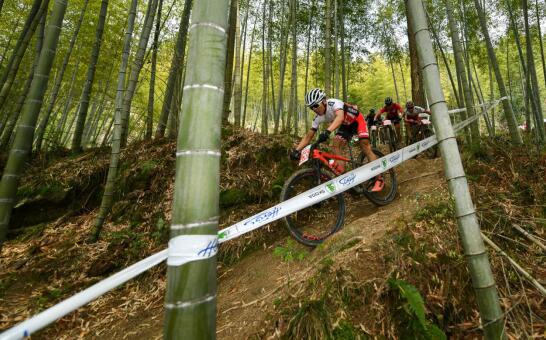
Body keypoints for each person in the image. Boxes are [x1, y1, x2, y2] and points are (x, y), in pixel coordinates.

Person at [290, 88, 384, 192]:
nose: (314, 109)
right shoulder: (318, 118)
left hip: (357, 120)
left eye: (316, 105)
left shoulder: (334, 103)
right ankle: (344, 177)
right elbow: (308, 136)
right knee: (335, 144)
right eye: (311, 107)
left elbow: (340, 117)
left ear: (324, 101)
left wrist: (327, 131)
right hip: (345, 126)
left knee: (365, 145)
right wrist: (297, 150)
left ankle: (379, 177)